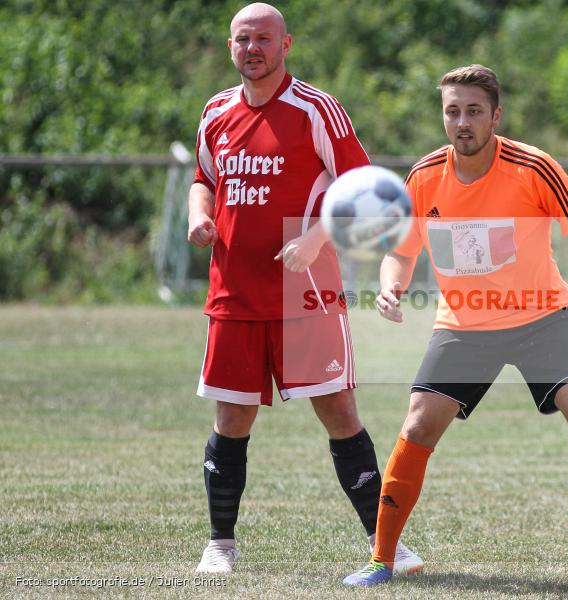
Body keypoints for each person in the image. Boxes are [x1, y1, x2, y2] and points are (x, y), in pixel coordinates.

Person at [343, 65, 568, 591]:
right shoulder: (425, 175)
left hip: (542, 316)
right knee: (418, 425)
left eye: (473, 111)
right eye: (453, 111)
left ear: (496, 115)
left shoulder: (532, 167)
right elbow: (399, 254)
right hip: (465, 324)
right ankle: (382, 559)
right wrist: (390, 286)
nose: (462, 121)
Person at [187, 3, 421, 575]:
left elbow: (364, 188)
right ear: (230, 46)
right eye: (242, 39)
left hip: (306, 293)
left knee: (339, 412)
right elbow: (204, 179)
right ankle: (220, 544)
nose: (252, 48)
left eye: (263, 38)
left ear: (285, 44)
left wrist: (317, 238)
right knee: (232, 419)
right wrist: (199, 216)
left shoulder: (315, 109)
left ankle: (385, 545)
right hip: (235, 293)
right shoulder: (215, 111)